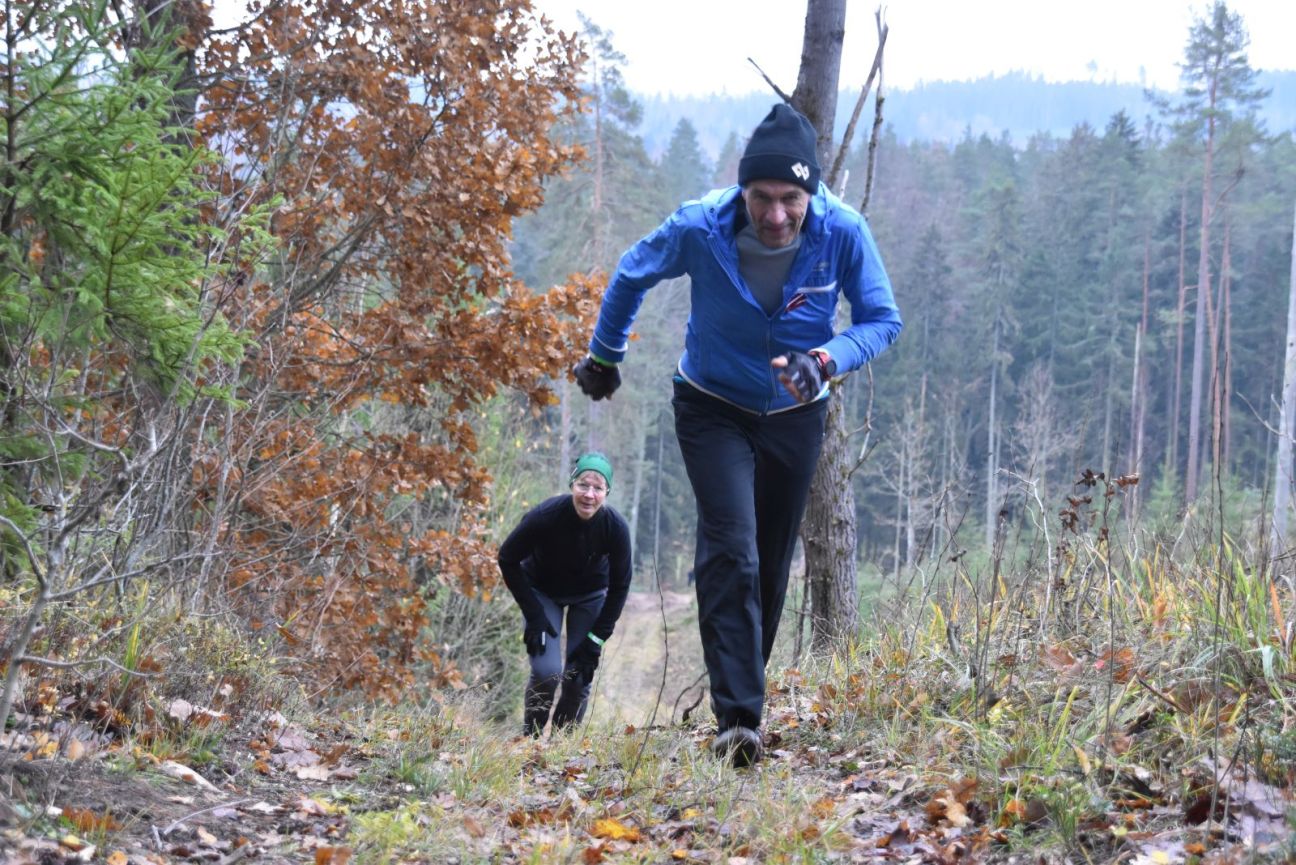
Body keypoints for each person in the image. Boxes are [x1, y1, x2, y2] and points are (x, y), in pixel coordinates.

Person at [571, 103, 902, 766]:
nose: (775, 215)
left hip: (795, 414)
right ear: (742, 189)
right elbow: (633, 270)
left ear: (811, 194)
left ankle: (739, 700)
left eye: (790, 199)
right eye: (761, 197)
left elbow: (881, 319)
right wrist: (606, 356)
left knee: (772, 565)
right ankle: (738, 720)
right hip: (711, 405)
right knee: (733, 550)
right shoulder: (701, 224)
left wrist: (826, 360)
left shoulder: (842, 231)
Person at [497, 453, 632, 736]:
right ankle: (531, 740)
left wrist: (596, 640)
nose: (589, 495)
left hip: (590, 596)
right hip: (543, 593)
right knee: (547, 672)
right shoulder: (545, 516)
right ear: (572, 484)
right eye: (583, 485)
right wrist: (533, 615)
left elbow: (620, 587)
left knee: (578, 676)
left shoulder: (615, 528)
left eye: (598, 488)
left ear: (607, 492)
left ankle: (561, 748)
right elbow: (507, 559)